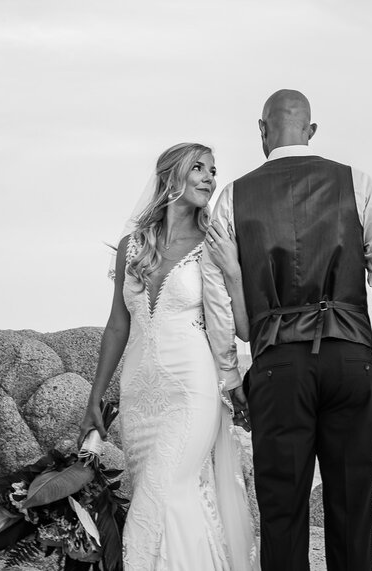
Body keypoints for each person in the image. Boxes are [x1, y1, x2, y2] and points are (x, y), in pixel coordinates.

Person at [202, 89, 372, 571]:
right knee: (352, 514)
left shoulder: (232, 196)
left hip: (278, 369)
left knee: (282, 516)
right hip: (349, 359)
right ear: (310, 131)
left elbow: (217, 298)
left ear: (262, 129)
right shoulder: (357, 183)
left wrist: (231, 379)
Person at [79, 142, 258, 571]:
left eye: (213, 170)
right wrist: (95, 398)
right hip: (140, 393)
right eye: (198, 168)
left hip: (192, 388)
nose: (209, 178)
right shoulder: (132, 246)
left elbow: (244, 325)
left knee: (164, 492)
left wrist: (234, 272)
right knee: (163, 494)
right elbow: (118, 326)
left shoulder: (217, 244)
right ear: (169, 177)